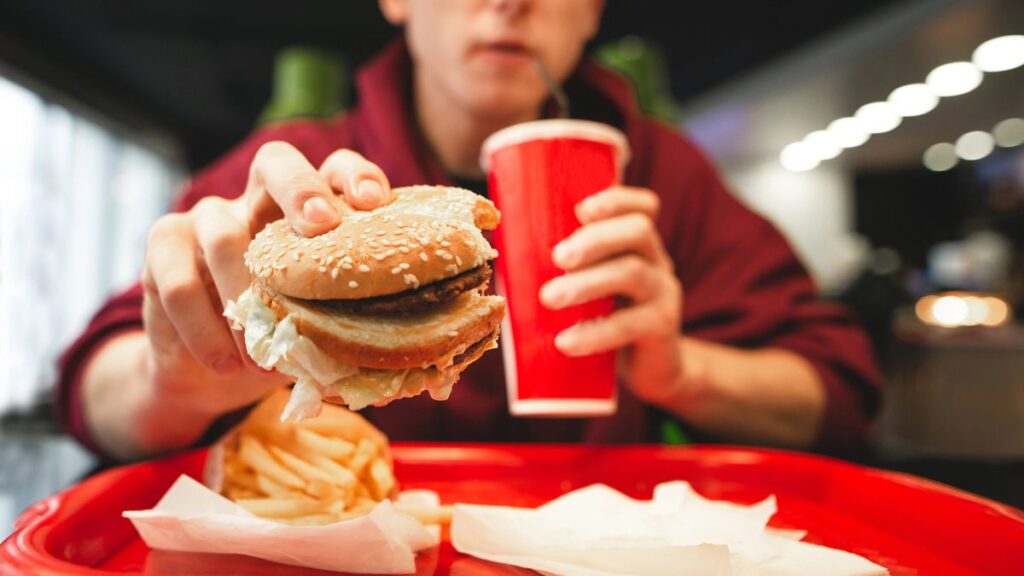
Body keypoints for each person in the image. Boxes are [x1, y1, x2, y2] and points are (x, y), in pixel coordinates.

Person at [58, 0, 880, 462]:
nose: (511, 3)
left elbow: (839, 400)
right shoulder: (288, 181)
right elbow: (93, 394)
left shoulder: (663, 174)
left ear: (590, 11)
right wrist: (185, 375)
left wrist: (681, 370)